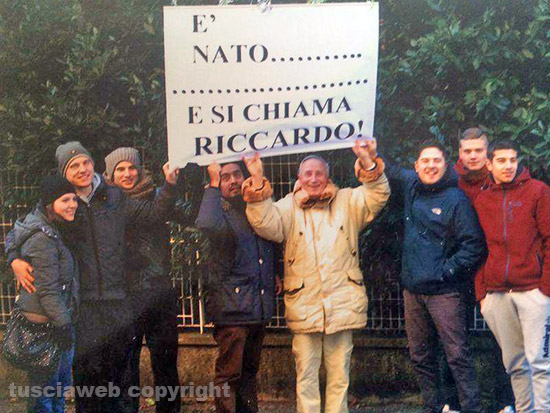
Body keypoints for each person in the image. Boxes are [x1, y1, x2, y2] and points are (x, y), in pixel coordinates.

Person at [5, 141, 178, 413]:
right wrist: (14, 258)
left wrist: (169, 185)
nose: (82, 169)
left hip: (117, 301)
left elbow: (154, 214)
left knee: (122, 382)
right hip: (83, 307)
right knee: (88, 382)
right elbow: (23, 229)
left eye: (85, 162)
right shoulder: (62, 201)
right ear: (64, 172)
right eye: (74, 165)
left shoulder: (115, 196)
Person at [241, 142, 391, 413]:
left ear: (327, 176)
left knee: (340, 375)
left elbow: (378, 194)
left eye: (318, 173)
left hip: (342, 304)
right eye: (307, 174)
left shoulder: (347, 201)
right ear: (299, 178)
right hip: (305, 305)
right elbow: (264, 223)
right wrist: (257, 178)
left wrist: (367, 161)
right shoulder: (287, 207)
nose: (313, 179)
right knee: (306, 375)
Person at [379, 138, 486, 413]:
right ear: (416, 166)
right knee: (420, 355)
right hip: (412, 291)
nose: (430, 165)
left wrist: (445, 271)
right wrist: (368, 150)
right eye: (425, 161)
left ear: (446, 165)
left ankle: (471, 407)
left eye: (436, 160)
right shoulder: (411, 186)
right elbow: (389, 168)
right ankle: (433, 406)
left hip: (445, 293)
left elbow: (474, 245)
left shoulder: (456, 199)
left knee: (457, 355)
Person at [104, 147, 199, 413]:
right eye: (120, 169)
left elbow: (190, 214)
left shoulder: (158, 196)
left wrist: (196, 178)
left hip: (159, 292)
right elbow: (153, 214)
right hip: (126, 294)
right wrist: (170, 185)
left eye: (132, 168)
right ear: (110, 174)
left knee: (166, 363)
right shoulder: (109, 201)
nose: (127, 174)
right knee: (126, 366)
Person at [195, 160, 280, 413]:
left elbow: (273, 241)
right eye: (225, 177)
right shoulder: (218, 210)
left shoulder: (257, 207)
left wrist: (277, 273)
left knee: (249, 373)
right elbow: (206, 223)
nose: (233, 180)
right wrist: (212, 185)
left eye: (237, 174)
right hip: (231, 309)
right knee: (229, 375)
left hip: (256, 306)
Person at [475, 141, 550, 413]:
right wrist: (482, 293)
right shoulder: (483, 200)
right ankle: (524, 409)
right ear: (489, 164)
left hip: (533, 291)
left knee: (540, 362)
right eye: (502, 160)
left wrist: (545, 288)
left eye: (512, 160)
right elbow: (478, 248)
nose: (508, 166)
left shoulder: (538, 191)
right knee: (514, 363)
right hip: (497, 294)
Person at [452, 128, 514, 413]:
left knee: (503, 339)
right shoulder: (449, 179)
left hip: (493, 271)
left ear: (487, 154)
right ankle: (456, 403)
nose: (473, 156)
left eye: (479, 150)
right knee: (454, 340)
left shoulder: (499, 179)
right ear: (460, 154)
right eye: (468, 151)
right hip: (458, 271)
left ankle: (504, 402)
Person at [11, 175, 79, 413]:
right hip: (48, 327)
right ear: (50, 204)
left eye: (73, 199)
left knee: (53, 391)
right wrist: (64, 325)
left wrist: (13, 258)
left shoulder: (50, 226)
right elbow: (48, 290)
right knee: (46, 396)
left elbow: (13, 237)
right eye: (65, 200)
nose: (72, 205)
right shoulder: (43, 237)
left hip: (52, 321)